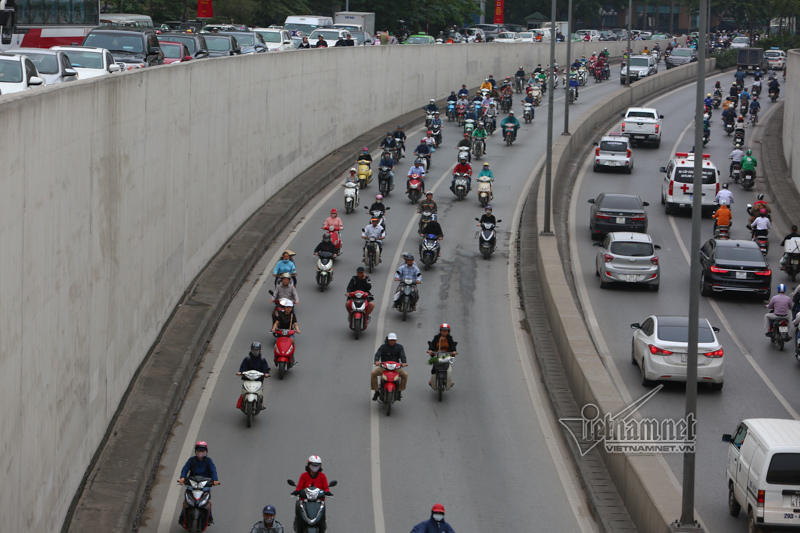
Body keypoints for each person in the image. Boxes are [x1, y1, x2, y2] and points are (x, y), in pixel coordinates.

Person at [178, 441, 219, 525]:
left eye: (202, 451)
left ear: (206, 452)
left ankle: (209, 517)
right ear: (196, 451)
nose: (200, 453)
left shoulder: (208, 461)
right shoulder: (191, 460)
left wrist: (215, 480)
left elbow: (213, 471)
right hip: (192, 483)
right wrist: (182, 478)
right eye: (199, 451)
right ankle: (182, 517)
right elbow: (185, 468)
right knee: (187, 500)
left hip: (205, 484)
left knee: (206, 501)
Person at [292, 456, 330, 531]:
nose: (315, 467)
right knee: (300, 519)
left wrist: (327, 492)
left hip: (318, 502)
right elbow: (299, 486)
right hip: (305, 502)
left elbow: (326, 487)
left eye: (317, 465)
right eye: (313, 465)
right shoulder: (304, 476)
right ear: (308, 465)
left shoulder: (322, 476)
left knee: (321, 521)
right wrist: (296, 491)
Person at [371, 333, 408, 400]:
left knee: (405, 375)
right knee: (373, 373)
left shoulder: (399, 347)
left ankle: (399, 391)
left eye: (393, 340)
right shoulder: (383, 347)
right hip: (384, 367)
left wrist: (404, 362)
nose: (392, 341)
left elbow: (403, 355)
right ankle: (376, 391)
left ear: (396, 340)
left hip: (395, 367)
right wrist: (376, 361)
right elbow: (377, 354)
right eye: (391, 340)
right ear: (388, 340)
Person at [238, 342, 270, 411]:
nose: (255, 352)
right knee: (244, 389)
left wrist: (266, 373)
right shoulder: (247, 359)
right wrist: (240, 372)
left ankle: (261, 402)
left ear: (259, 350)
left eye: (257, 350)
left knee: (260, 390)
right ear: (251, 350)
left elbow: (265, 368)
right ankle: (242, 400)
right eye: (254, 350)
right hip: (248, 378)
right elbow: (243, 367)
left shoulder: (262, 359)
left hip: (258, 378)